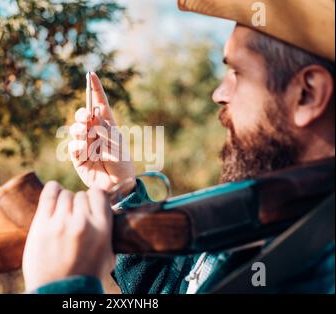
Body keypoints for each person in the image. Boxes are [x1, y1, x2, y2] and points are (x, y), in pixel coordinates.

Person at [22, 0, 335, 294]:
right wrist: (120, 190)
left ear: (307, 94)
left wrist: (64, 289)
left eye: (237, 72)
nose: (219, 93)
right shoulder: (286, 208)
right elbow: (181, 288)